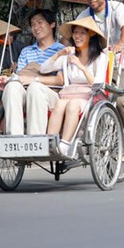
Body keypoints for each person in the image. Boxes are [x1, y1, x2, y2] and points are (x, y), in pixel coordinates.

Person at [41, 17, 109, 157]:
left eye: (82, 33)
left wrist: (80, 66)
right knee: (59, 104)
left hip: (90, 98)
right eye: (75, 33)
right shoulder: (69, 56)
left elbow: (98, 83)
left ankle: (65, 144)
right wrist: (59, 54)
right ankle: (50, 142)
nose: (78, 36)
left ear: (91, 35)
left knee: (72, 105)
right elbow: (44, 69)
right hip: (68, 95)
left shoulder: (100, 57)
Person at [0, 9, 64, 135]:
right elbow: (20, 77)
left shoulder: (62, 50)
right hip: (26, 94)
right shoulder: (27, 51)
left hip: (51, 95)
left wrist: (34, 80)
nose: (36, 27)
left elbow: (61, 80)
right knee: (12, 87)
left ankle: (35, 139)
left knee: (35, 88)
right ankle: (14, 139)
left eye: (40, 23)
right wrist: (6, 80)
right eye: (33, 24)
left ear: (52, 24)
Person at [75, 0, 124, 127]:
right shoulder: (84, 15)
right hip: (98, 64)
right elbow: (74, 34)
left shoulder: (117, 7)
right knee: (92, 98)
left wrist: (120, 44)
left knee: (121, 100)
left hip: (121, 64)